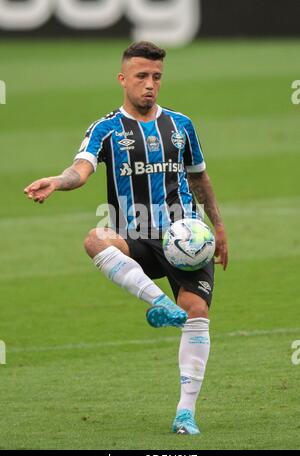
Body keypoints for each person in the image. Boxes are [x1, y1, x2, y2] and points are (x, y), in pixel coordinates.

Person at [24, 41, 228, 435]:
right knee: (95, 239)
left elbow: (199, 176)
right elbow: (79, 170)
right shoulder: (106, 128)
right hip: (135, 237)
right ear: (123, 79)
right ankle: (160, 304)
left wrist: (219, 227)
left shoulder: (181, 125)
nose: (150, 85)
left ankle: (186, 413)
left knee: (197, 314)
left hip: (186, 236)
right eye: (141, 76)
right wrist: (57, 181)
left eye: (156, 77)